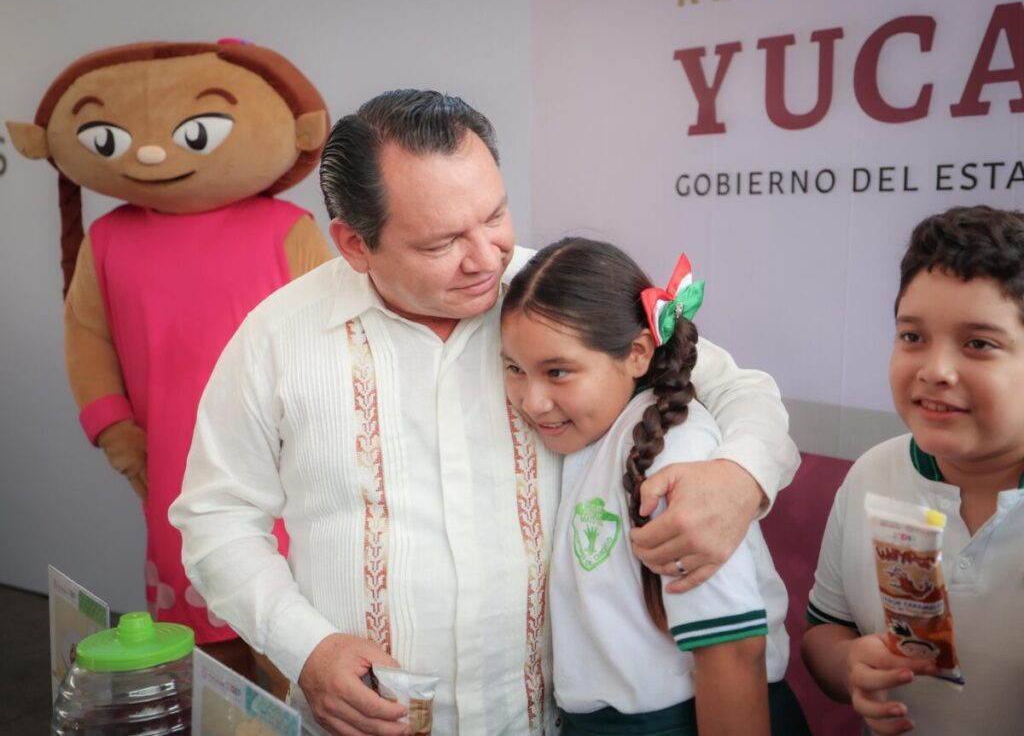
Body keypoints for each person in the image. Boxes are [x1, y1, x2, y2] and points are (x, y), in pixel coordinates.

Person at [170, 89, 800, 736]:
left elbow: (738, 388)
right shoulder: (278, 337)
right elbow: (216, 516)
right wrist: (307, 648)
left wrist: (741, 477)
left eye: (495, 214)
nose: (487, 257)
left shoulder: (552, 297)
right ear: (355, 244)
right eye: (442, 242)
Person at [7, 40, 333, 688]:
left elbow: (334, 340)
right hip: (175, 460)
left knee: (299, 619)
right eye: (113, 138)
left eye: (194, 132)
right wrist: (113, 426)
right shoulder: (108, 241)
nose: (152, 152)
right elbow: (87, 338)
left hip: (292, 459)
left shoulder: (288, 230)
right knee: (201, 616)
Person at [500, 238, 810, 736]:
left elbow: (731, 653)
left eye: (558, 372)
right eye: (514, 369)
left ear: (638, 353)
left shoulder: (673, 451)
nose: (532, 401)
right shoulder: (596, 435)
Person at [801, 205, 1024, 735]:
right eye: (912, 337)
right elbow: (824, 632)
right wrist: (850, 665)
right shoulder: (871, 475)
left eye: (979, 344)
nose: (935, 370)